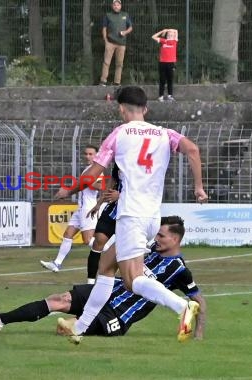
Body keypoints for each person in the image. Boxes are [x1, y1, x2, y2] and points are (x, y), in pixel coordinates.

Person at [55, 85, 208, 344]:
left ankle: (181, 306)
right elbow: (193, 150)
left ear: (121, 109)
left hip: (130, 215)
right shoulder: (164, 133)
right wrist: (199, 187)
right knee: (105, 266)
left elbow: (92, 174)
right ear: (145, 109)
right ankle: (80, 327)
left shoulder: (119, 133)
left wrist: (69, 190)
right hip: (151, 216)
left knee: (131, 279)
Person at [0, 216, 207, 341]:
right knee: (60, 299)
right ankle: (0, 319)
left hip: (118, 315)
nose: (156, 238)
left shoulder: (179, 269)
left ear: (175, 239)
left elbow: (199, 300)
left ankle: (76, 325)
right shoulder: (146, 249)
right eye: (156, 233)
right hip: (105, 292)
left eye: (161, 235)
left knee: (65, 329)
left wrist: (198, 333)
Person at [40, 145, 104, 282]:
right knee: (68, 234)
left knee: (88, 240)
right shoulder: (88, 169)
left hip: (89, 208)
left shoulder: (97, 170)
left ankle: (115, 251)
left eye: (91, 154)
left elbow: (100, 186)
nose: (88, 156)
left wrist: (88, 182)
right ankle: (57, 263)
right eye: (86, 154)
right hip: (80, 208)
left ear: (96, 155)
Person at [84, 163, 121, 282]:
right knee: (98, 241)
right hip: (112, 210)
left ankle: (122, 281)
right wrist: (98, 204)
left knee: (124, 249)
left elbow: (146, 191)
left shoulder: (143, 168)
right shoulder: (120, 162)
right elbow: (111, 185)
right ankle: (90, 283)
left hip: (131, 213)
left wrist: (121, 195)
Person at [99, 0, 132, 87]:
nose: (116, 6)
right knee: (106, 62)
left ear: (120, 6)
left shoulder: (125, 15)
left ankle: (117, 82)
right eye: (115, 5)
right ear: (112, 6)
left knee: (120, 64)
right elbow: (104, 28)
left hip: (122, 44)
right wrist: (105, 40)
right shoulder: (108, 15)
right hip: (110, 42)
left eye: (118, 5)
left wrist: (125, 32)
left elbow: (130, 27)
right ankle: (103, 81)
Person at [152, 28, 178, 102]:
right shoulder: (163, 41)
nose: (170, 36)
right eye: (169, 35)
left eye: (171, 35)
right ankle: (161, 96)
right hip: (162, 63)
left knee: (170, 80)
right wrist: (163, 31)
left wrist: (168, 29)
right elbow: (153, 37)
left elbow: (176, 31)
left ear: (174, 36)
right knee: (162, 80)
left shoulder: (174, 41)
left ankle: (170, 96)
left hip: (171, 63)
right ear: (166, 36)